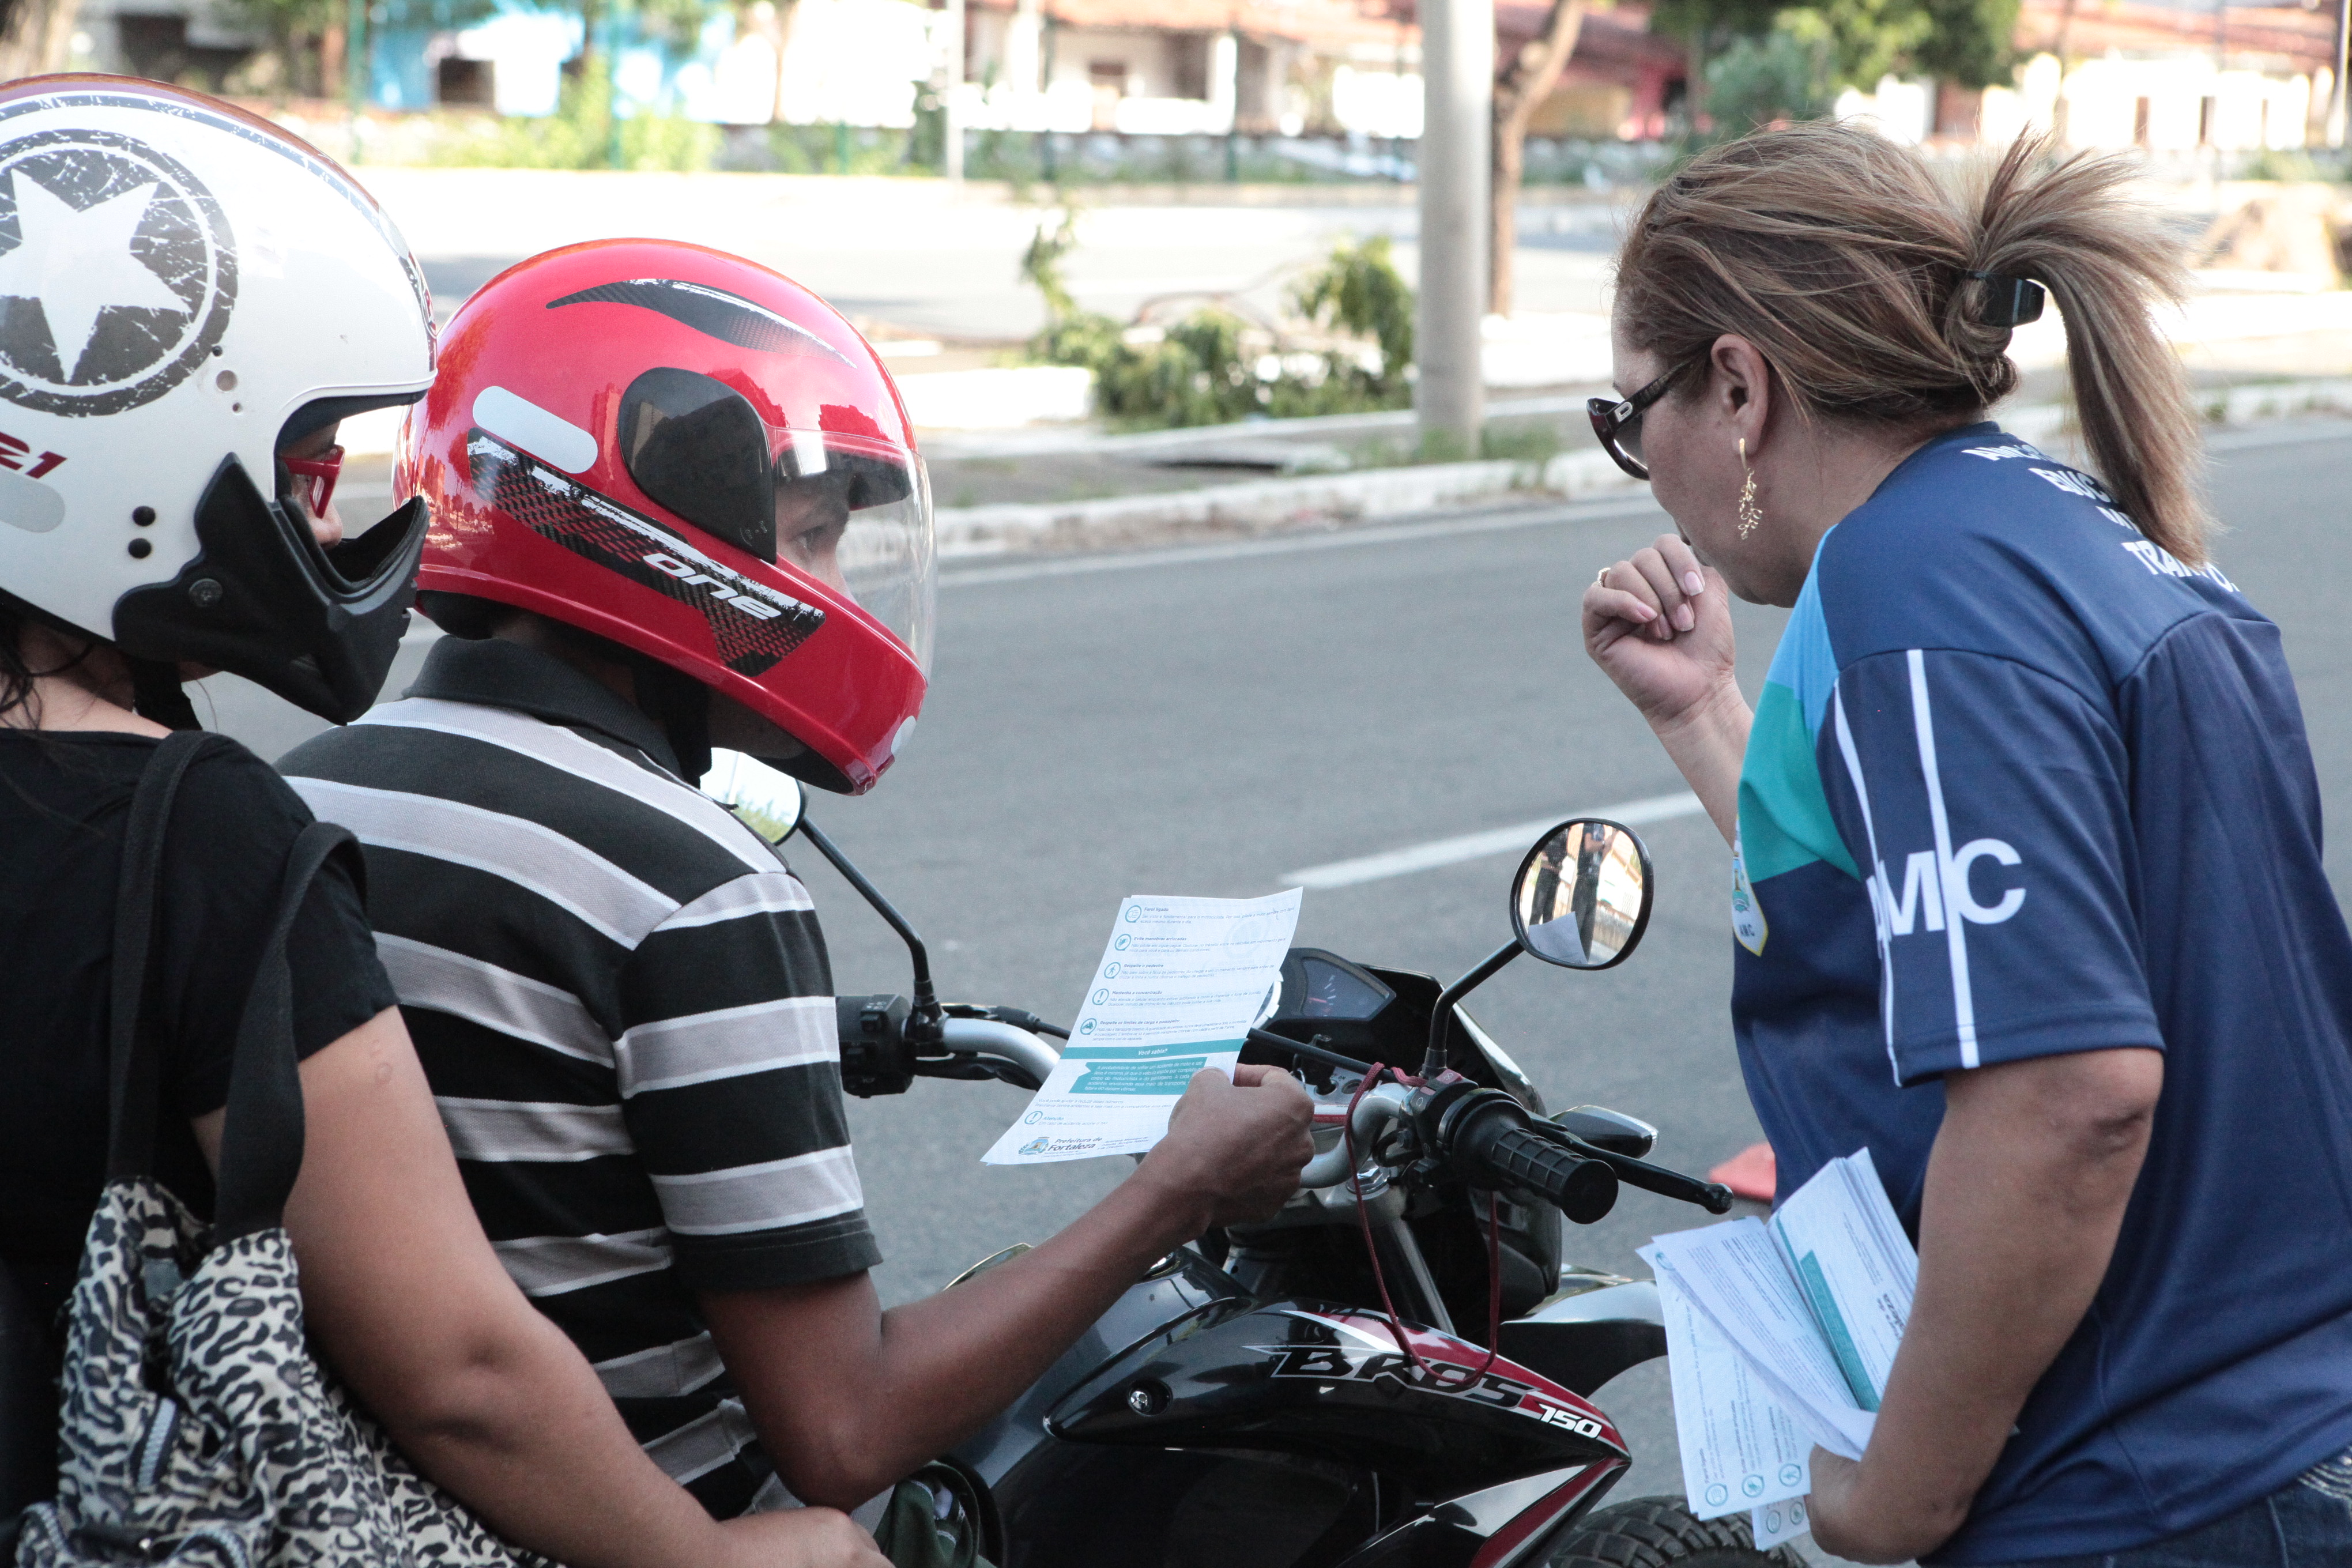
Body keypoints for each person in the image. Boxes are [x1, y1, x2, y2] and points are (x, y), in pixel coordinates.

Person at [277, 239, 1314, 1524]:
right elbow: (843, 1425)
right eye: (811, 536)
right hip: (670, 1529)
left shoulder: (300, 793)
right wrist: (1178, 1191)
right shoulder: (692, 889)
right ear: (659, 517)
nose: (825, 584)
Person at [0, 78, 880, 1568]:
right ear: (121, 454)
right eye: (300, 458)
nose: (328, 507)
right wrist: (715, 1559)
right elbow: (460, 1374)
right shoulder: (195, 832)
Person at [1579, 123, 2352, 1566]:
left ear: (1739, 386)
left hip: (2143, 1485)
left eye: (1633, 419)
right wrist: (1706, 717)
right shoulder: (2048, 530)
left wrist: (1901, 1496)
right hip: (2269, 1424)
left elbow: (2069, 1093)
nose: (1643, 469)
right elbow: (1924, 915)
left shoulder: (1913, 590)